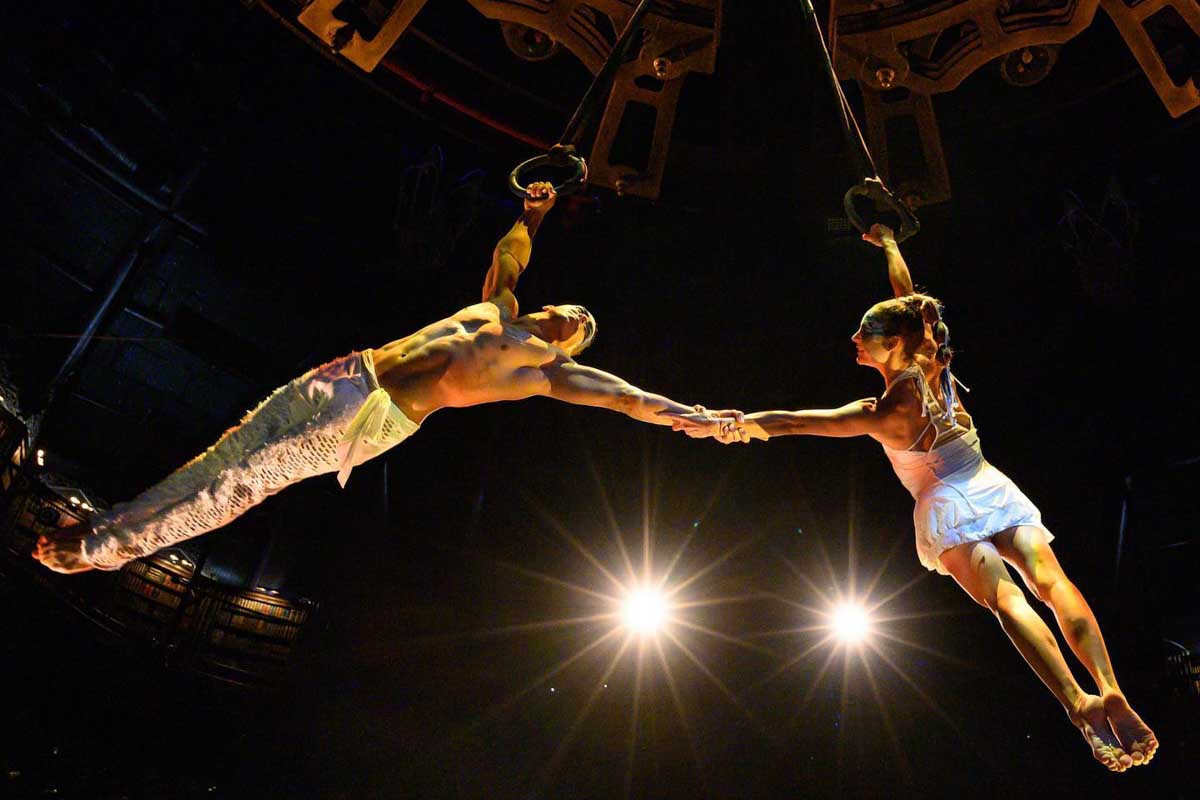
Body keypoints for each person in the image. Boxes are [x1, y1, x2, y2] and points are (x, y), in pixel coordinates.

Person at [34, 183, 739, 574]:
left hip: (372, 420)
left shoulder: (544, 373)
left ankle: (102, 551)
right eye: (577, 308)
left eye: (584, 325)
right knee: (221, 456)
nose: (578, 315)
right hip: (348, 372)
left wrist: (692, 414)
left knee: (241, 483)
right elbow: (511, 256)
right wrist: (534, 213)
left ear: (576, 345)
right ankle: (106, 522)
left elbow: (627, 399)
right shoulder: (500, 309)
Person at [678, 223, 1157, 772]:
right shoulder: (932, 353)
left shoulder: (880, 414)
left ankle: (1079, 705)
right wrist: (888, 245)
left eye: (865, 334)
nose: (855, 340)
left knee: (1008, 602)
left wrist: (730, 426)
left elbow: (788, 423)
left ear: (892, 343)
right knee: (1053, 582)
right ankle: (1110, 684)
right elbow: (907, 297)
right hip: (988, 483)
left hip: (946, 504)